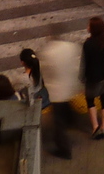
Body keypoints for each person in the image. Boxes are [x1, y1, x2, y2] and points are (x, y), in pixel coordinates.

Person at [32, 31, 81, 160]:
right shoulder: (70, 47)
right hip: (70, 86)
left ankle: (65, 150)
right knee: (67, 109)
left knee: (58, 122)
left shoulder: (47, 53)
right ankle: (73, 122)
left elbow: (44, 72)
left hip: (57, 92)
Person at [81, 16, 104, 140]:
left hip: (92, 78)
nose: (87, 27)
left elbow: (84, 63)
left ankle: (95, 127)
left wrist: (82, 78)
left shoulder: (88, 44)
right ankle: (103, 127)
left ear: (93, 29)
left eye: (89, 26)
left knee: (90, 101)